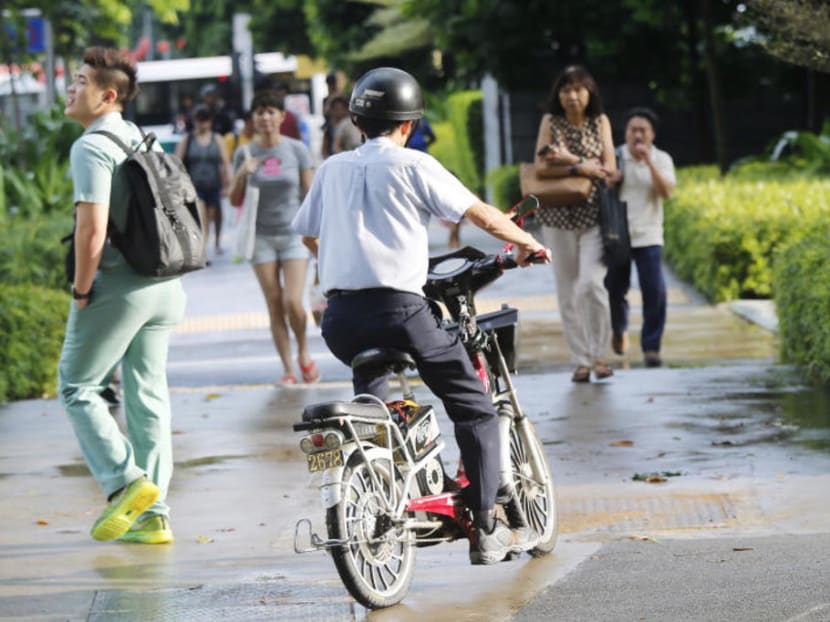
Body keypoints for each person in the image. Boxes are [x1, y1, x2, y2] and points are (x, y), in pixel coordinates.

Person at [292, 67, 548, 565]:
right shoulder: (415, 165)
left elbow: (308, 234)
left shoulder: (331, 168)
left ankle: (382, 473)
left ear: (358, 121)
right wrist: (529, 242)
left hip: (340, 319)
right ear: (407, 125)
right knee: (473, 406)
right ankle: (486, 526)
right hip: (401, 310)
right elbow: (481, 216)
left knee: (374, 392)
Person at [58, 46, 186, 545]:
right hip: (164, 285)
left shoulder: (91, 146)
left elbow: (91, 232)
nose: (71, 87)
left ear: (107, 95)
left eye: (81, 80)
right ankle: (154, 517)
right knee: (147, 395)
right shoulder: (138, 136)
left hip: (120, 286)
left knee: (76, 385)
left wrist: (81, 290)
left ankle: (125, 482)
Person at [229, 89, 319, 386]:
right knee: (275, 302)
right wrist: (243, 172)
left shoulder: (296, 150)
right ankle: (288, 369)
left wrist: (315, 233)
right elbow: (233, 199)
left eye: (271, 111)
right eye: (259, 112)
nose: (265, 117)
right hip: (261, 238)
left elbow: (310, 194)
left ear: (282, 117)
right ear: (252, 119)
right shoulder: (244, 153)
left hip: (293, 235)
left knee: (294, 301)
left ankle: (304, 353)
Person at [533, 65, 616, 383]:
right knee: (567, 291)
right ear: (558, 95)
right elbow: (541, 167)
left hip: (594, 217)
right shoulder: (550, 122)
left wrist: (568, 160)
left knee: (591, 285)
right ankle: (581, 360)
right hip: (557, 218)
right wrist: (582, 167)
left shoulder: (600, 122)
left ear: (589, 92)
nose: (572, 96)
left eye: (578, 89)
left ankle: (600, 355)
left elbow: (607, 169)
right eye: (566, 90)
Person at [605, 107, 676, 368]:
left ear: (652, 134)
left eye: (642, 130)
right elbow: (600, 188)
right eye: (632, 130)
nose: (637, 135)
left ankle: (651, 347)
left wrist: (649, 163)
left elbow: (666, 192)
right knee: (614, 288)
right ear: (625, 133)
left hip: (649, 235)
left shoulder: (662, 159)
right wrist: (612, 180)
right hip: (618, 235)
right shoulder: (615, 156)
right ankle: (620, 330)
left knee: (654, 292)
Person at [175, 105, 232, 258]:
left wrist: (228, 184)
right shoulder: (187, 139)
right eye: (199, 120)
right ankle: (203, 253)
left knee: (215, 216)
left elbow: (225, 162)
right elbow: (177, 163)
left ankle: (217, 242)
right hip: (195, 186)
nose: (202, 123)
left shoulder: (217, 139)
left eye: (205, 120)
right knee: (202, 219)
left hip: (214, 184)